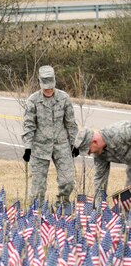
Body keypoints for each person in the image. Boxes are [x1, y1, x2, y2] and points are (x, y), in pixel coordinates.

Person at [22, 65, 79, 205]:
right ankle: (37, 211)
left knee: (68, 181)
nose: (48, 90)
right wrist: (28, 147)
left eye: (50, 87)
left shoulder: (64, 98)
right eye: (45, 87)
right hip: (40, 147)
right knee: (38, 188)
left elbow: (71, 123)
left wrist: (74, 143)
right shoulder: (33, 101)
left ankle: (62, 205)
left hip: (62, 145)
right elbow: (29, 125)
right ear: (40, 83)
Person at [74, 121, 131, 200]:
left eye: (89, 151)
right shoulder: (99, 154)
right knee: (127, 198)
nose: (89, 154)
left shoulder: (121, 132)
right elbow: (100, 179)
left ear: (94, 142)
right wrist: (99, 206)